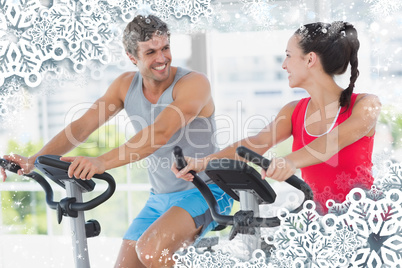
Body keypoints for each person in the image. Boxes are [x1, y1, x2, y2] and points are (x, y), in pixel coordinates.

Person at [1, 14, 232, 267]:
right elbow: (82, 126)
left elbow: (159, 133)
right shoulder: (125, 86)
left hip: (207, 190)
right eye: (151, 52)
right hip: (160, 198)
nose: (162, 58)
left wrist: (101, 162)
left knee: (152, 251)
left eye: (165, 48)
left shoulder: (193, 83)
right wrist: (33, 161)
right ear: (132, 57)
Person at [173, 21, 381, 215]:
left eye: (289, 56)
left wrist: (288, 162)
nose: (283, 65)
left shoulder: (366, 105)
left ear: (310, 59)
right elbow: (255, 144)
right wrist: (201, 163)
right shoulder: (293, 111)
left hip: (365, 223)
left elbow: (332, 142)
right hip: (320, 226)